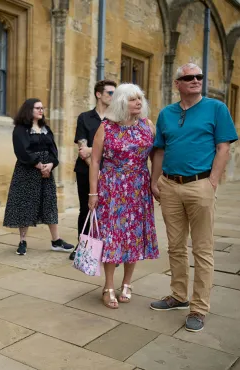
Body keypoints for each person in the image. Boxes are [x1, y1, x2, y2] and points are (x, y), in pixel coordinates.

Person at [150, 63, 238, 332]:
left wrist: (212, 182)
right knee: (175, 246)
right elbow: (160, 151)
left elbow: (223, 148)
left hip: (200, 185)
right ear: (177, 83)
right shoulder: (167, 114)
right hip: (170, 185)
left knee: (202, 250)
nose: (196, 80)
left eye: (199, 76)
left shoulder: (216, 109)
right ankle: (178, 296)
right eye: (189, 77)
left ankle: (199, 308)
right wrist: (155, 181)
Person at [88, 83, 159, 309]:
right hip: (112, 188)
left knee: (134, 236)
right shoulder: (106, 127)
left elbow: (158, 155)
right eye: (132, 99)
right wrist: (93, 192)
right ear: (121, 101)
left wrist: (155, 182)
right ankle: (108, 286)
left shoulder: (148, 125)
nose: (138, 102)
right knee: (111, 238)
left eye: (140, 98)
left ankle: (127, 283)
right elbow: (95, 161)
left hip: (138, 189)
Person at [3, 98, 75, 255]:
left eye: (42, 108)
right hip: (27, 172)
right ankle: (22, 241)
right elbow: (21, 150)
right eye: (37, 108)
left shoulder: (46, 129)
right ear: (29, 110)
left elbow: (53, 151)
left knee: (49, 204)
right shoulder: (21, 129)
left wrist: (50, 165)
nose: (41, 110)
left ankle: (56, 240)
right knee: (26, 204)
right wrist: (38, 164)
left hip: (46, 173)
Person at [70, 79, 117, 261]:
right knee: (86, 209)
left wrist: (93, 150)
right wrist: (95, 171)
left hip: (110, 173)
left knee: (109, 211)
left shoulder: (116, 120)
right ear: (99, 94)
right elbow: (83, 150)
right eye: (110, 93)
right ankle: (82, 247)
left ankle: (108, 249)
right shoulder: (85, 117)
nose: (113, 96)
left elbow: (115, 148)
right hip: (85, 171)